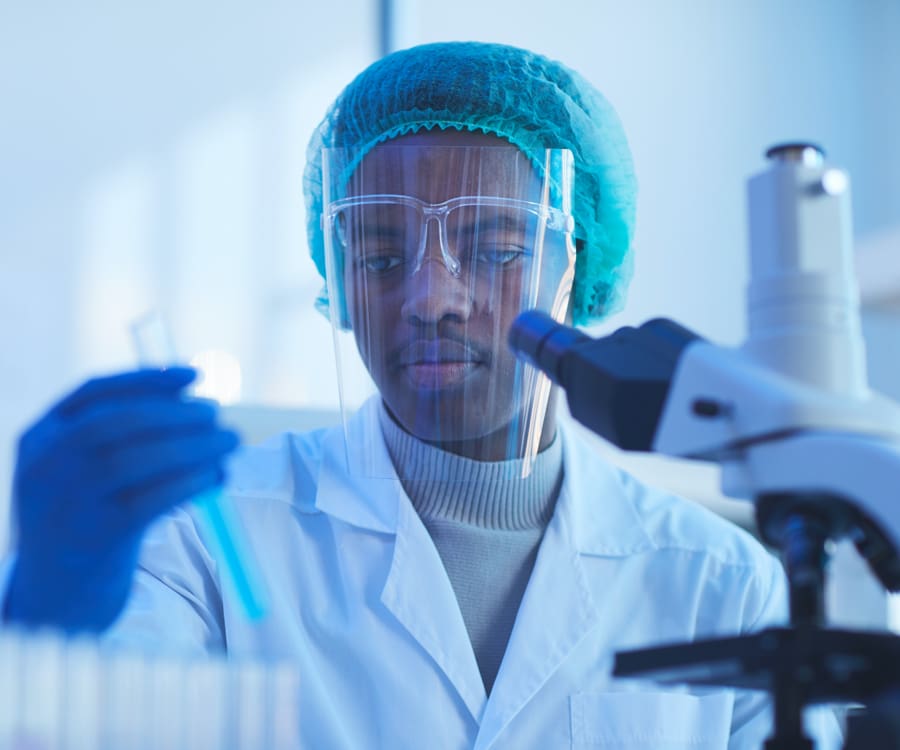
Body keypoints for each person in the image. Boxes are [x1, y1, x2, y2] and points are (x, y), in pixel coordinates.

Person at [3, 42, 840, 749]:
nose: (430, 296)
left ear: (574, 265)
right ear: (335, 276)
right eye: (376, 253)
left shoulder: (720, 586)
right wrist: (47, 614)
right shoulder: (207, 543)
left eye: (493, 246)